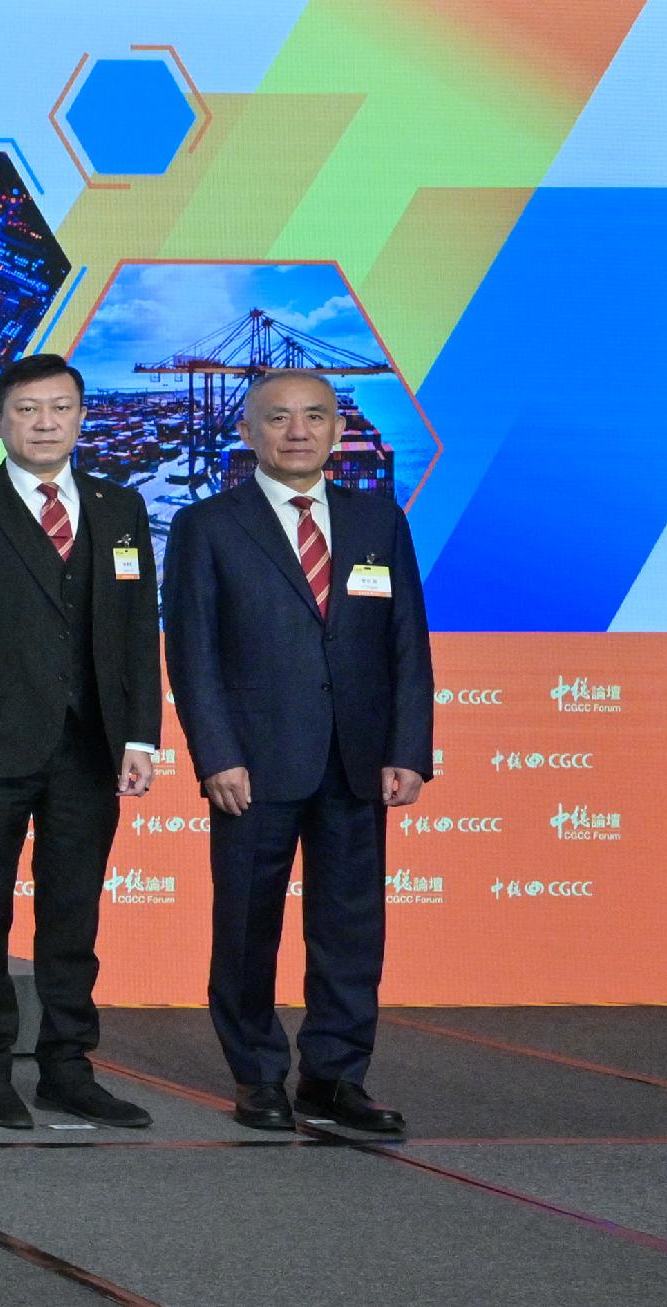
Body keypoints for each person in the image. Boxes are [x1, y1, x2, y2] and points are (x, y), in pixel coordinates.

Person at [164, 370, 432, 1136]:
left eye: (315, 416)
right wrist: (216, 755)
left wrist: (408, 746)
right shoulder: (207, 525)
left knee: (351, 928)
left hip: (358, 757)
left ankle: (335, 1076)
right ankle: (257, 1074)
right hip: (252, 762)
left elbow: (407, 642)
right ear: (246, 431)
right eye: (278, 418)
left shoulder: (378, 519)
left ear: (338, 430)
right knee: (249, 925)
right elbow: (193, 653)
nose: (298, 431)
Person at [0, 353, 158, 1132]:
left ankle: (67, 1069)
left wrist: (142, 733)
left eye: (59, 408)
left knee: (73, 915)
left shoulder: (122, 508)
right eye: (26, 409)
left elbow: (137, 631)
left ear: (82, 417)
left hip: (91, 747)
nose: (44, 422)